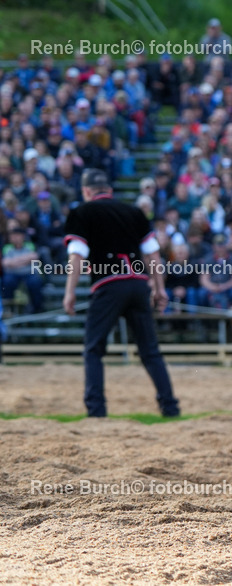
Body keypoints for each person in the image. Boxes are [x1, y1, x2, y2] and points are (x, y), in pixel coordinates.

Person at [62, 169, 180, 418]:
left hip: (108, 285)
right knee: (150, 351)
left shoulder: (82, 212)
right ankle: (170, 407)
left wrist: (69, 292)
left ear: (86, 192)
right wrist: (159, 289)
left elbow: (77, 255)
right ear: (110, 190)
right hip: (138, 284)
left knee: (94, 349)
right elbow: (153, 254)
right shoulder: (134, 212)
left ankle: (97, 411)